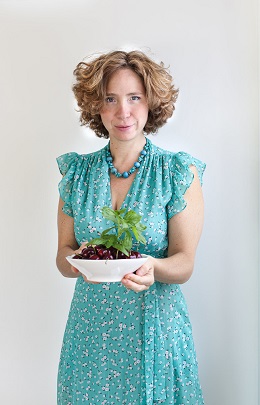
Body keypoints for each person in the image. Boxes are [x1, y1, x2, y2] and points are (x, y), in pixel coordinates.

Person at [56, 49, 206, 405]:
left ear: (152, 102)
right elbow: (63, 258)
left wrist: (153, 267)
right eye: (111, 98)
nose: (123, 111)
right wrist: (80, 260)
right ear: (96, 106)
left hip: (154, 326)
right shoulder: (76, 174)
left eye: (134, 97)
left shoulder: (178, 172)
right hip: (91, 332)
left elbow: (184, 262)